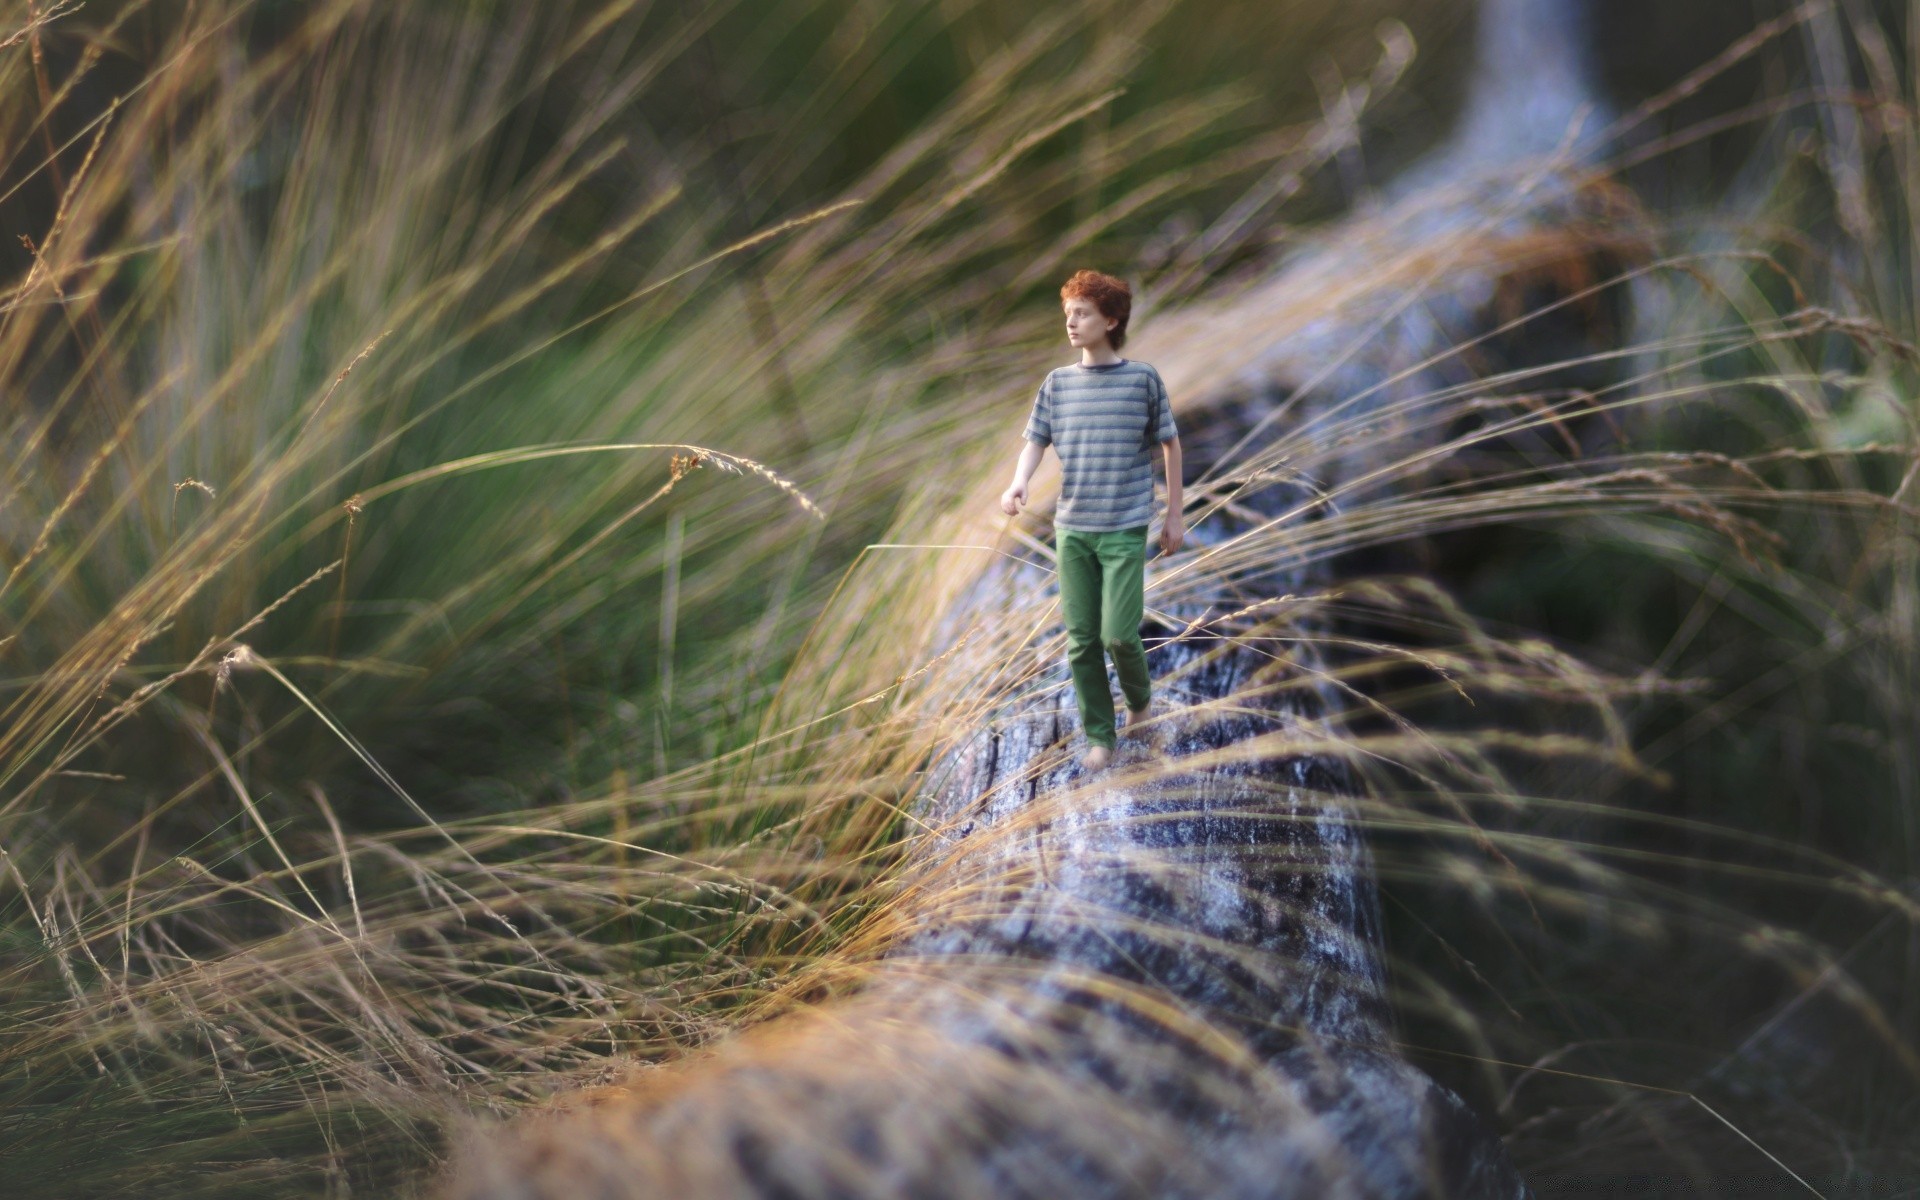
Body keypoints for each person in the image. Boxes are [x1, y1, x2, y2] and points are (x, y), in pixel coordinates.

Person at [1000, 269, 1183, 773]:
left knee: (1120, 634)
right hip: (1074, 528)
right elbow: (1035, 440)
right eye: (1067, 315)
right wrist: (1020, 482)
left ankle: (1141, 707)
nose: (1071, 324)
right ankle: (1100, 735)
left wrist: (1174, 514)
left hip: (1124, 527)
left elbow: (1169, 442)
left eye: (1081, 313)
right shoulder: (1057, 385)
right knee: (1081, 639)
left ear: (1111, 319)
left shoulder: (1141, 379)